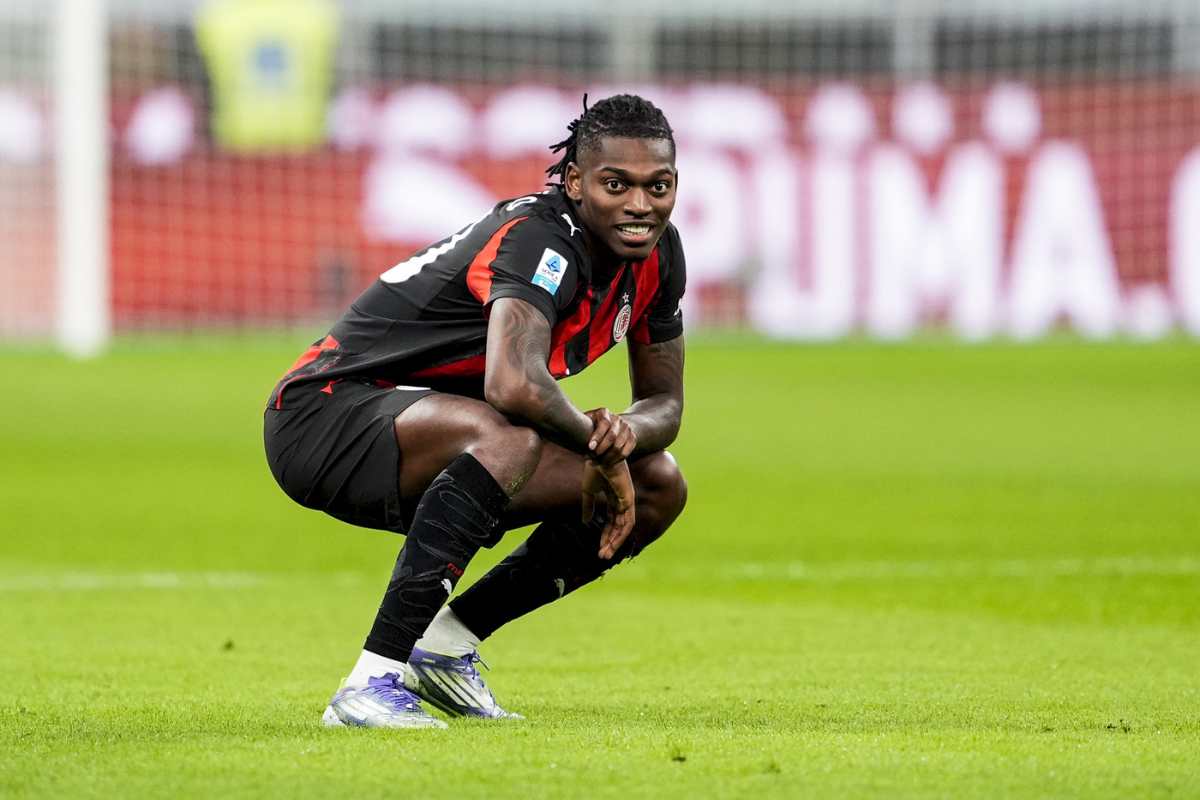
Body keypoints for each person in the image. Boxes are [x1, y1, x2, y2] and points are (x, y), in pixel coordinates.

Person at [263, 94, 687, 728]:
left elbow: (666, 404)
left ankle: (446, 646)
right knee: (507, 438)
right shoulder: (540, 241)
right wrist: (599, 447)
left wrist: (622, 436)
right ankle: (369, 682)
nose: (640, 205)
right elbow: (513, 385)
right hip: (323, 414)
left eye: (658, 186)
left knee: (656, 482)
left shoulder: (660, 256)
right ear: (575, 182)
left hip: (429, 427)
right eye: (616, 184)